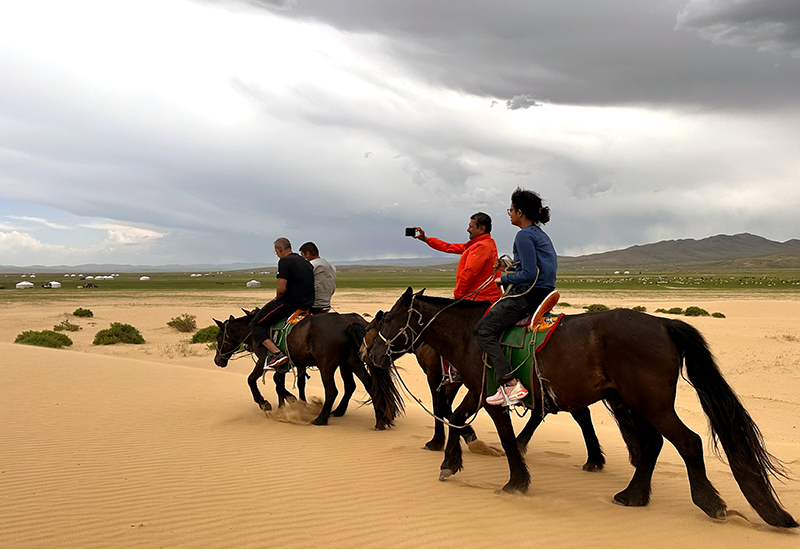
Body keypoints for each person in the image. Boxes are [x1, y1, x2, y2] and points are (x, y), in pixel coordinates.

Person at [475, 188, 557, 406]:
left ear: (520, 212)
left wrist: (502, 279)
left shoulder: (523, 235)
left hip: (528, 294)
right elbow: (533, 269)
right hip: (543, 291)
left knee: (483, 330)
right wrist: (508, 268)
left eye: (511, 209)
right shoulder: (539, 234)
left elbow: (529, 275)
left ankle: (511, 384)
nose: (509, 213)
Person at [249, 237, 315, 369]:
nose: (277, 254)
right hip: (307, 304)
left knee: (255, 324)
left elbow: (281, 289)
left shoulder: (284, 261)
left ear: (279, 249)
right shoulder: (305, 262)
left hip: (290, 303)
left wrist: (277, 297)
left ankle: (277, 354)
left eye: (276, 252)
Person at [411, 212, 502, 303]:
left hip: (480, 300)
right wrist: (426, 239)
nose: (467, 229)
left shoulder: (482, 247)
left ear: (482, 229)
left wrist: (458, 295)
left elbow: (469, 273)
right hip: (478, 297)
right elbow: (449, 247)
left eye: (471, 226)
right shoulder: (479, 244)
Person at [299, 241, 337, 314]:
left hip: (313, 305)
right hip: (326, 303)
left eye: (302, 255)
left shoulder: (310, 265)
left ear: (307, 253)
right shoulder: (331, 266)